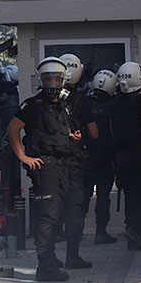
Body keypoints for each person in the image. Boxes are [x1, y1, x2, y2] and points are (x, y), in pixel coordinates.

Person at [7, 57, 78, 282]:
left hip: (62, 166)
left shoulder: (62, 106)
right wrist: (23, 157)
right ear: (42, 80)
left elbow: (53, 132)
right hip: (44, 167)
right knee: (47, 216)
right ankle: (45, 267)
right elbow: (13, 128)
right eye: (48, 79)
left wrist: (71, 137)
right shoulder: (32, 105)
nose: (52, 83)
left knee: (59, 214)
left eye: (56, 78)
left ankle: (50, 258)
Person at [110, 61, 141, 250]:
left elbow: (113, 129)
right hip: (140, 153)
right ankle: (136, 229)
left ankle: (135, 234)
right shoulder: (140, 101)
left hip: (121, 155)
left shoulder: (115, 102)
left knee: (131, 195)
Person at [58, 53, 97, 269]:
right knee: (75, 209)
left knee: (51, 210)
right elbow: (94, 132)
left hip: (49, 165)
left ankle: (48, 256)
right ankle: (72, 255)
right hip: (73, 162)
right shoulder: (81, 101)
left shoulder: (43, 99)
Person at [84, 69, 118, 244]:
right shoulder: (113, 105)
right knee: (103, 196)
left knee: (83, 196)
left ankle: (77, 230)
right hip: (105, 156)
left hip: (86, 155)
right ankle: (101, 231)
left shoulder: (85, 102)